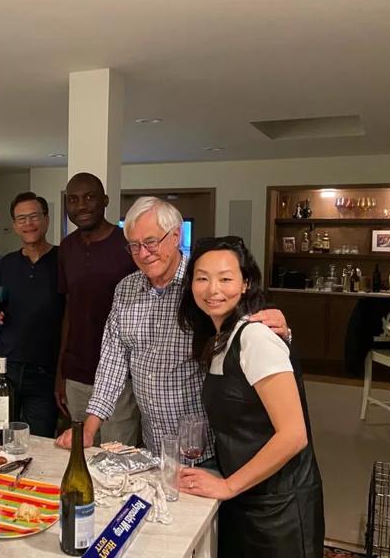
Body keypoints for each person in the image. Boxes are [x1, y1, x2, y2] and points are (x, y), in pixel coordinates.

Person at [55, 196, 290, 457]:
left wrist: (280, 328)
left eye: (151, 242)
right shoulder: (126, 289)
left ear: (176, 235)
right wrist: (90, 428)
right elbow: (113, 362)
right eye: (134, 246)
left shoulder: (202, 284)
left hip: (206, 447)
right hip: (154, 445)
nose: (143, 254)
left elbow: (245, 334)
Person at [177, 236, 323, 558]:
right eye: (202, 278)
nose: (213, 289)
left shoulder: (255, 337)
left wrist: (227, 486)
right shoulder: (219, 339)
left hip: (279, 508)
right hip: (247, 496)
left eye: (226, 278)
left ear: (245, 284)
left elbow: (293, 435)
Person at [56, 172, 140, 446]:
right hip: (78, 374)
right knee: (81, 455)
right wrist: (61, 372)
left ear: (105, 200)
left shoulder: (128, 246)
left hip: (121, 379)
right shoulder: (67, 248)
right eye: (73, 199)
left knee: (117, 458)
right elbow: (69, 310)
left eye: (90, 197)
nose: (81, 206)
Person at [0, 192, 64, 437]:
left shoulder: (62, 259)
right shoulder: (7, 263)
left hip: (44, 371)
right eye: (21, 219)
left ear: (46, 219)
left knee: (40, 440)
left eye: (33, 217)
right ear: (14, 225)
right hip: (4, 367)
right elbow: (2, 306)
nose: (28, 223)